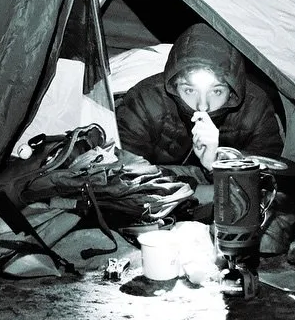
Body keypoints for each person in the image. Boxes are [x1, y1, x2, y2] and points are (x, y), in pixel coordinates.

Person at [115, 21, 284, 209]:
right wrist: (196, 191)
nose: (202, 105)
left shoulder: (256, 108)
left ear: (232, 90)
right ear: (175, 84)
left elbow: (268, 181)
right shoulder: (145, 100)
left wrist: (218, 163)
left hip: (227, 192)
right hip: (158, 194)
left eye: (217, 92)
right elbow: (125, 174)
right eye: (189, 90)